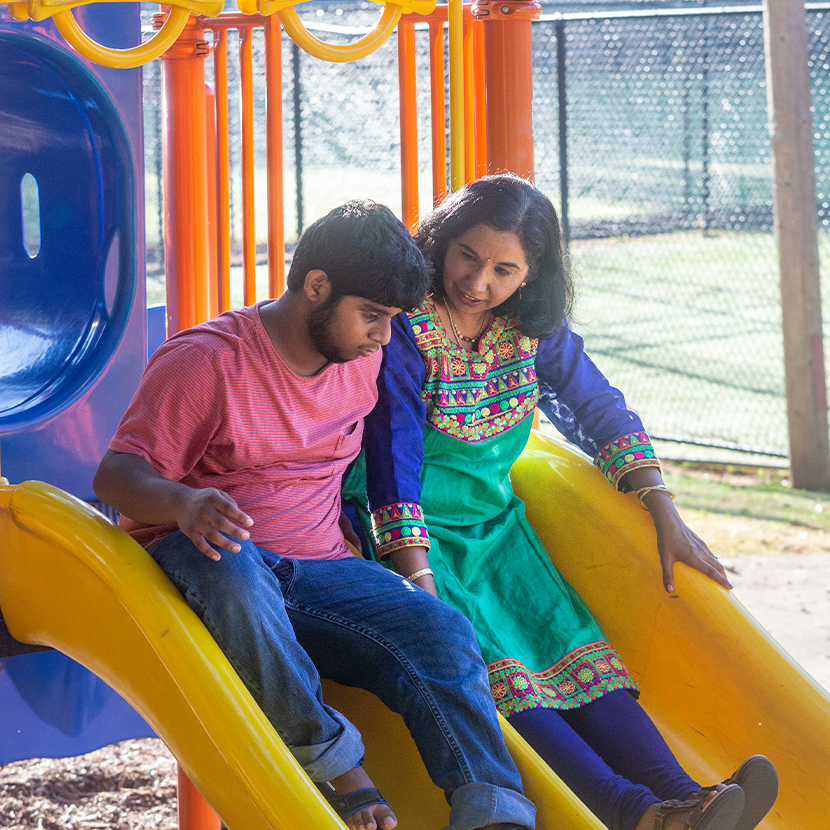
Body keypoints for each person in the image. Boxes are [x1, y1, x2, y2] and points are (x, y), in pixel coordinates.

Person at [345, 176, 779, 830]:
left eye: (504, 269)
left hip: (495, 529)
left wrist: (661, 505)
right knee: (499, 668)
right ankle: (636, 814)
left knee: (567, 643)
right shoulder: (408, 328)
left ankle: (688, 795)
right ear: (440, 240)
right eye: (467, 255)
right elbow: (393, 453)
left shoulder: (531, 329)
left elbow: (597, 403)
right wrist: (417, 581)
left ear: (532, 273)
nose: (478, 281)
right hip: (406, 531)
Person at [93, 201, 537, 830]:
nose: (384, 337)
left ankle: (493, 811)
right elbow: (115, 475)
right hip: (213, 566)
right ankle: (340, 772)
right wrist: (186, 503)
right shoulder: (207, 361)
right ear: (317, 286)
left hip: (320, 571)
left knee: (441, 630)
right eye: (373, 316)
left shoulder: (361, 357)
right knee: (235, 572)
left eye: (391, 320)